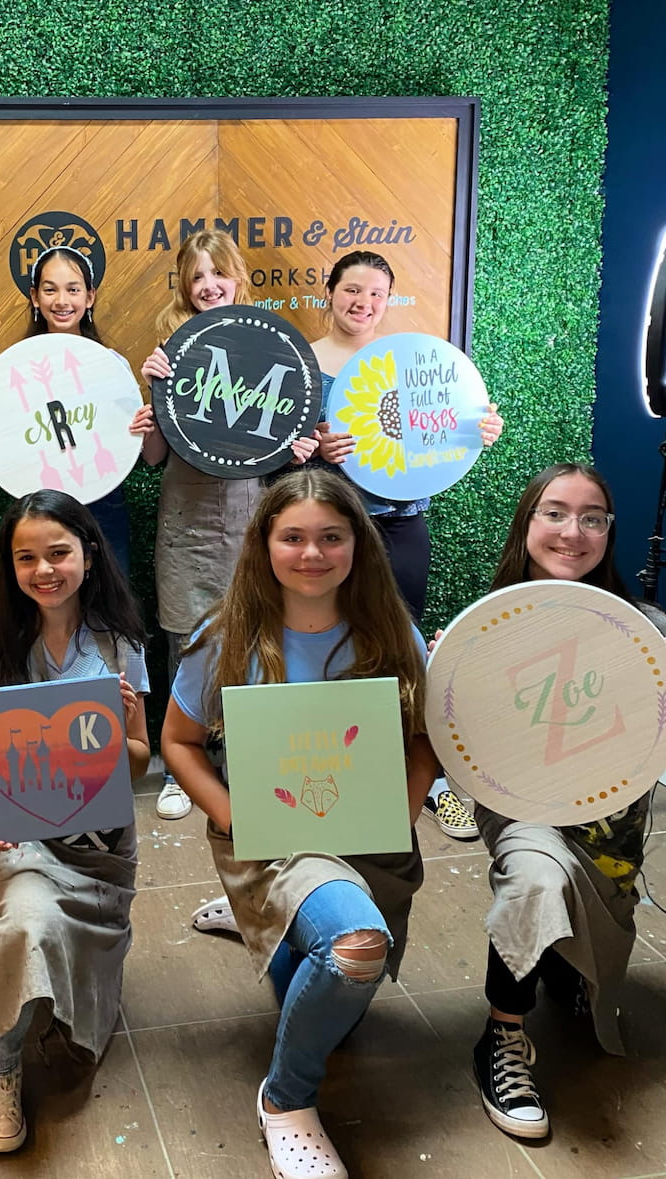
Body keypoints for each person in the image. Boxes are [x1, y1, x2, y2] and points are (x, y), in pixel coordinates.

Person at [161, 468, 436, 1179]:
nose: (312, 553)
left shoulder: (391, 631)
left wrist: (400, 814)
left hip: (368, 840)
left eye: (331, 537)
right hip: (276, 843)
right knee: (353, 950)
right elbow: (178, 742)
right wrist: (235, 817)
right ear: (264, 543)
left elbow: (423, 740)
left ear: (358, 544)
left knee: (328, 1006)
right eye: (293, 537)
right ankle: (285, 1101)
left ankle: (271, 924)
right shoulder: (224, 637)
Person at [467, 463, 665, 1139]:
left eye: (592, 517)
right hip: (521, 802)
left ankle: (562, 961)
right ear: (527, 523)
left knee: (579, 941)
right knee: (535, 880)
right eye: (554, 512)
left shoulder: (643, 629)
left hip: (610, 817)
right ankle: (502, 1036)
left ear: (610, 531)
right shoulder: (486, 626)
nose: (572, 531)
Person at [0, 490, 150, 1152]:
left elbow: (139, 762)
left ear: (88, 555)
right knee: (30, 922)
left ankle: (20, 912)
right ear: (9, 565)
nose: (43, 570)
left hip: (101, 843)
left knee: (81, 1008)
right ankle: (0, 1061)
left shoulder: (120, 645)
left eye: (58, 553)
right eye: (25, 557)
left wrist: (120, 728)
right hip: (19, 831)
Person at [311, 250, 504, 842]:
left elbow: (446, 431)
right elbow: (283, 457)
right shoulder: (303, 364)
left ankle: (432, 778)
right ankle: (346, 773)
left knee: (407, 646)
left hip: (404, 523)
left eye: (376, 293)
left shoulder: (412, 362)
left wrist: (479, 430)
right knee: (334, 649)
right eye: (352, 289)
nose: (363, 302)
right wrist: (316, 450)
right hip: (339, 528)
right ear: (330, 291)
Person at [139, 230, 319, 822]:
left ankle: (248, 760)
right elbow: (153, 459)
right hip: (186, 522)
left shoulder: (268, 350)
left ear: (238, 279)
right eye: (197, 276)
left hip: (248, 519)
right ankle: (180, 770)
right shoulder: (170, 354)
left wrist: (293, 452)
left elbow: (280, 451)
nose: (209, 285)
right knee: (186, 641)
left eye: (218, 273)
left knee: (253, 637)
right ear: (185, 287)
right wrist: (153, 406)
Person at [0, 244, 153, 577]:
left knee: (109, 598)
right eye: (50, 290)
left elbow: (132, 448)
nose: (62, 300)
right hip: (36, 509)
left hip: (103, 504)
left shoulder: (113, 367)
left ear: (90, 297)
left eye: (73, 290)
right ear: (35, 297)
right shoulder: (11, 371)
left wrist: (139, 429)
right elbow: (4, 447)